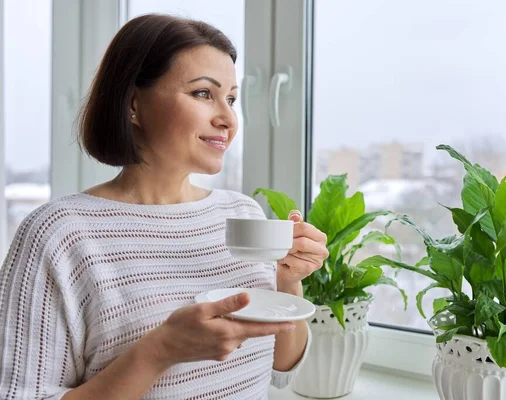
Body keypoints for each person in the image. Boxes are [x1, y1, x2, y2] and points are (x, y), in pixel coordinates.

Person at [0, 14, 328, 399]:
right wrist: (160, 351)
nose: (227, 118)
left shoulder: (243, 216)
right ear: (133, 104)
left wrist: (288, 280)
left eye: (232, 99)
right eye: (204, 93)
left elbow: (283, 368)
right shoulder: (59, 234)